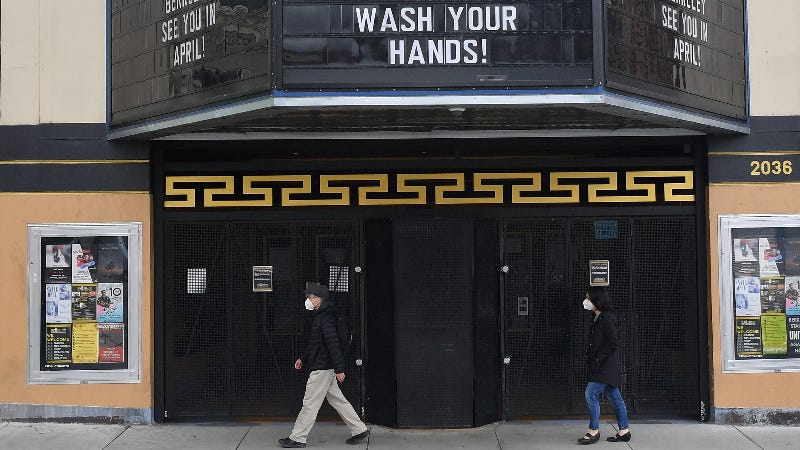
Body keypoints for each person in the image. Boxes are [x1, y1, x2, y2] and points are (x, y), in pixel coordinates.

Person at [279, 283, 369, 448]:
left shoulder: (324, 318)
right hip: (325, 366)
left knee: (310, 403)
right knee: (338, 400)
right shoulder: (325, 315)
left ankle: (298, 438)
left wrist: (340, 368)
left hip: (322, 368)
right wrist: (304, 358)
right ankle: (359, 429)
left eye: (310, 297)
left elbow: (332, 344)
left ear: (317, 299)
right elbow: (317, 344)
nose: (307, 300)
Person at [578, 286, 631, 445]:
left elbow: (613, 343)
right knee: (615, 396)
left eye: (588, 298)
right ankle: (624, 431)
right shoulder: (598, 316)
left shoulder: (606, 319)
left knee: (590, 393)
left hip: (605, 367)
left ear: (596, 300)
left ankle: (593, 431)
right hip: (604, 366)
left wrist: (598, 359)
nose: (586, 301)